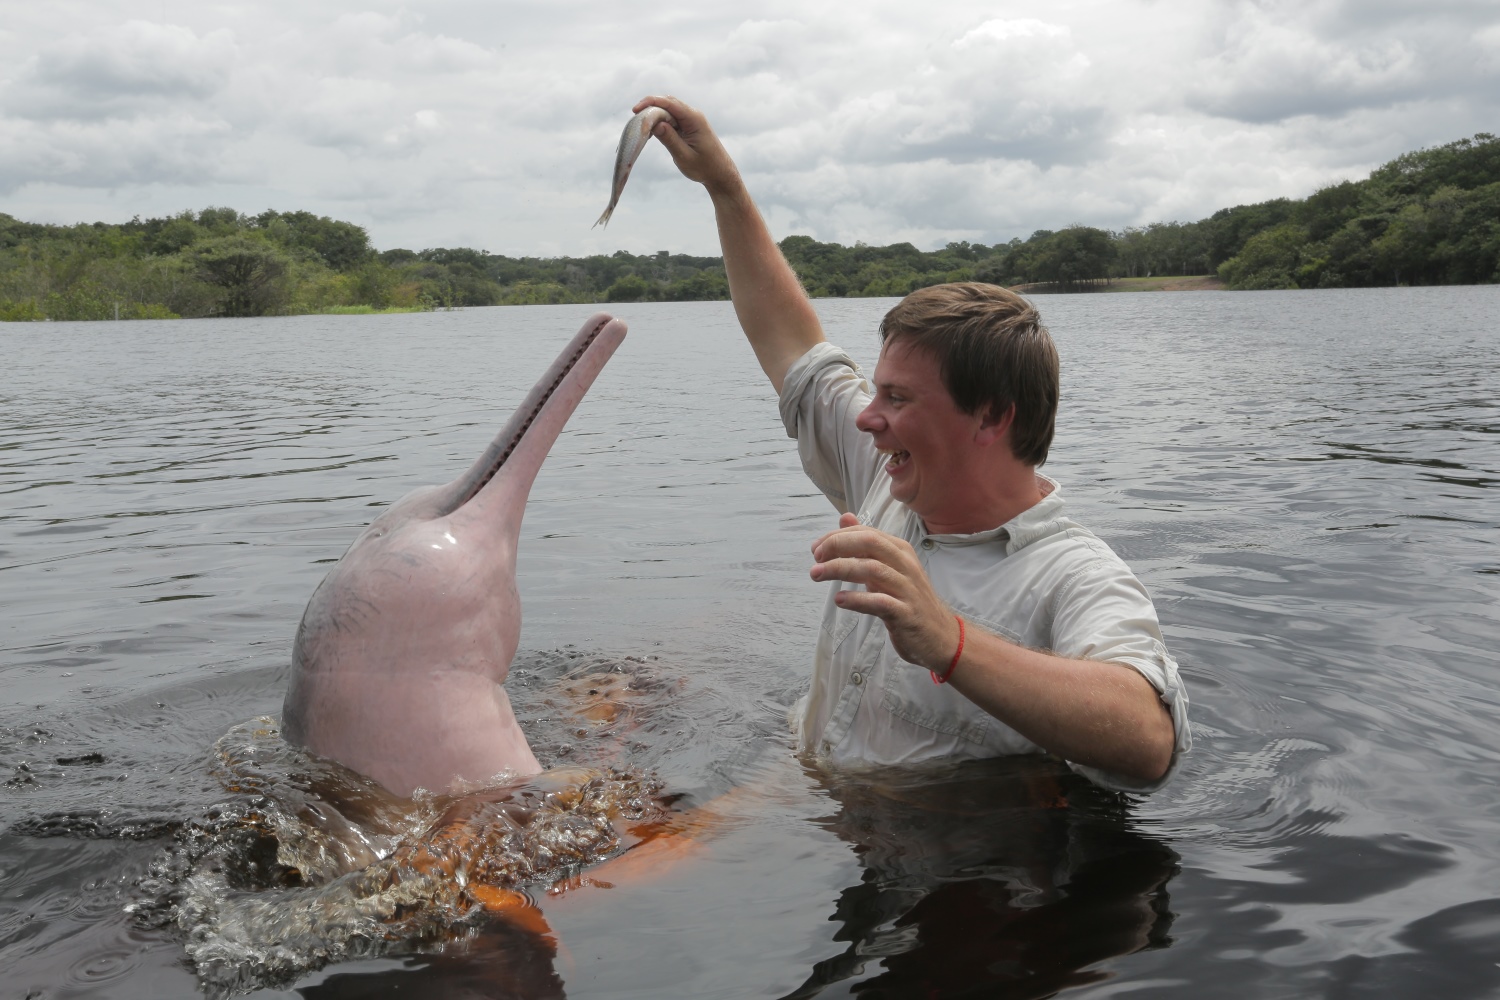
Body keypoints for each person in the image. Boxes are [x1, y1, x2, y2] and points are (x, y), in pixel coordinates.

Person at [634, 95, 1189, 791]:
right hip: (809, 800)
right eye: (876, 393)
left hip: (932, 842)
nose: (868, 419)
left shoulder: (1073, 577)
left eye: (897, 399)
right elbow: (791, 341)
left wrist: (947, 639)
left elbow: (1149, 739)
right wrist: (724, 187)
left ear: (990, 418)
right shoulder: (889, 479)